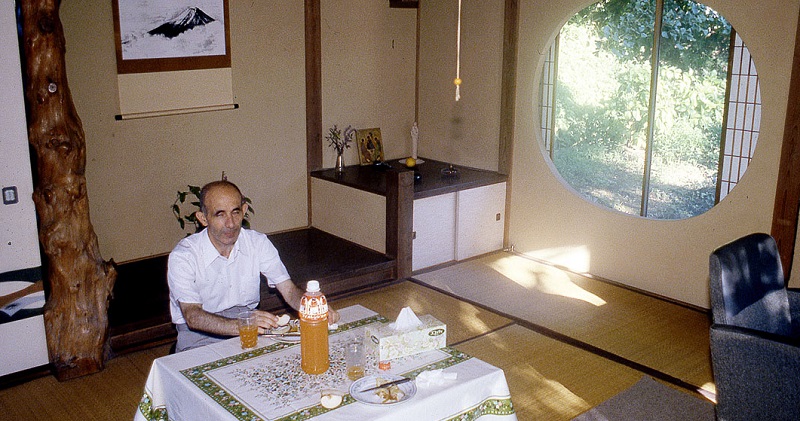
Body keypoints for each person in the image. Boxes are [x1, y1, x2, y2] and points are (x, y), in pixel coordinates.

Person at [167, 180, 339, 352]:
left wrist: (312, 306)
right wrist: (243, 324)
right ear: (203, 218)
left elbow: (289, 290)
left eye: (235, 212)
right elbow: (193, 316)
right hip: (198, 336)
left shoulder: (257, 243)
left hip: (249, 330)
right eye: (220, 214)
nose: (231, 223)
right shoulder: (184, 256)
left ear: (244, 211)